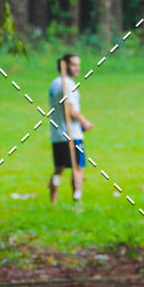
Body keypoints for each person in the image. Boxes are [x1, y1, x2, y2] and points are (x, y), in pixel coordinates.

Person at [48, 53, 94, 204]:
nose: (77, 68)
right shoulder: (67, 84)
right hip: (72, 134)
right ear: (64, 65)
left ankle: (53, 199)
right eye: (74, 64)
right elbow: (70, 110)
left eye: (78, 65)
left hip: (57, 134)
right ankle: (77, 199)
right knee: (78, 167)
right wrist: (84, 122)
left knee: (59, 169)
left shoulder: (54, 83)